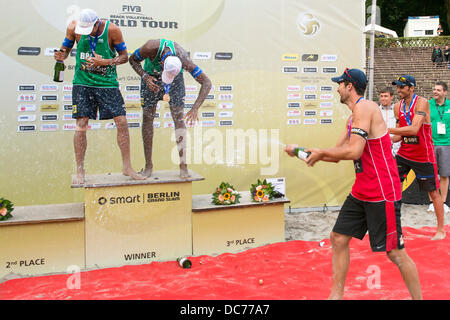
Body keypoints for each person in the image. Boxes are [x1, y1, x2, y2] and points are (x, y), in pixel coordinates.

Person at [285, 68, 422, 300]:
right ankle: (335, 296)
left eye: (340, 84)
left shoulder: (366, 107)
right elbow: (339, 153)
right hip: (362, 189)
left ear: (350, 86)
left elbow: (355, 150)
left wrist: (319, 152)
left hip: (382, 190)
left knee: (395, 253)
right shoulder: (352, 118)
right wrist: (301, 152)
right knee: (338, 238)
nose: (337, 87)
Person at [54, 9, 144, 185]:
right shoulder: (73, 27)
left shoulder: (113, 30)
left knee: (122, 122)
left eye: (90, 29)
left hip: (107, 83)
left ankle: (127, 167)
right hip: (82, 82)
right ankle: (80, 170)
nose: (85, 32)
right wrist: (61, 56)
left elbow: (125, 57)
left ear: (97, 23)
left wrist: (107, 62)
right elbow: (65, 50)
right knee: (81, 125)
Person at [129, 39, 212, 178]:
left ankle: (183, 165)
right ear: (161, 63)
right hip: (151, 77)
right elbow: (132, 60)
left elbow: (207, 82)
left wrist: (195, 108)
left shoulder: (185, 60)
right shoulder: (150, 47)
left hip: (176, 83)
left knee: (179, 120)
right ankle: (148, 165)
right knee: (148, 118)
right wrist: (145, 77)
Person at [389, 75, 446, 240]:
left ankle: (441, 230)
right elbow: (399, 135)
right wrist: (383, 139)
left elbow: (414, 129)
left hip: (423, 155)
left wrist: (387, 130)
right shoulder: (397, 106)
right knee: (393, 187)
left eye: (401, 87)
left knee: (433, 193)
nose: (398, 90)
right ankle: (395, 230)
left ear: (411, 88)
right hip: (404, 153)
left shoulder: (422, 102)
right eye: (397, 87)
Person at [428, 81, 450, 214]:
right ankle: (432, 202)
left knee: (444, 174)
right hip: (431, 143)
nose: (435, 92)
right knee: (430, 174)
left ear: (445, 92)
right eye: (434, 89)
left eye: (439, 90)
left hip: (446, 144)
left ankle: (442, 202)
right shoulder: (428, 105)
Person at [379, 87, 400, 155]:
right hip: (380, 148)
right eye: (381, 96)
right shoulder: (376, 110)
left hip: (396, 149)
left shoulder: (398, 110)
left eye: (385, 96)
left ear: (392, 97)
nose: (383, 98)